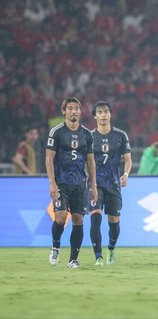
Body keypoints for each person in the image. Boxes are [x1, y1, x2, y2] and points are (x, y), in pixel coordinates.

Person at [45, 97, 98, 268]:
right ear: (64, 111)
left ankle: (73, 259)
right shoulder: (57, 132)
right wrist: (52, 183)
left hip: (80, 185)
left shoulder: (87, 134)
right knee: (60, 218)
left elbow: (90, 161)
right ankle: (55, 246)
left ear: (80, 111)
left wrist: (94, 185)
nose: (73, 111)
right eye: (70, 108)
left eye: (76, 108)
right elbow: (49, 158)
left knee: (78, 220)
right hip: (61, 183)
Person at [89, 101, 132, 266]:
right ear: (95, 116)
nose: (103, 115)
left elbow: (128, 159)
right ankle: (98, 256)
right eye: (99, 112)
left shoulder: (121, 136)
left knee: (114, 222)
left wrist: (126, 174)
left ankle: (111, 249)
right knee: (95, 217)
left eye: (106, 111)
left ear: (110, 114)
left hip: (113, 184)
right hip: (95, 184)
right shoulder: (89, 136)